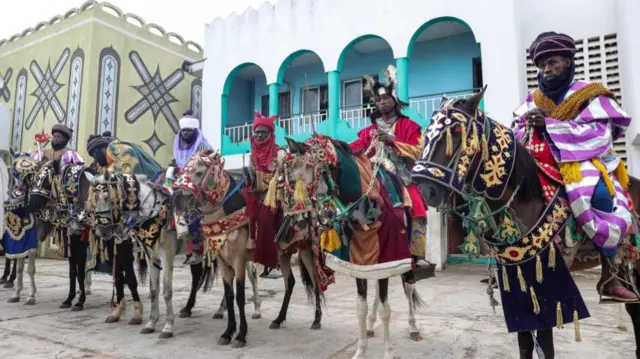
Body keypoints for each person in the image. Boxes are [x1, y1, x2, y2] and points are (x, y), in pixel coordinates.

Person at [512, 31, 636, 302]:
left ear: (568, 61)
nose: (546, 69)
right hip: (539, 159)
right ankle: (514, 265)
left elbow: (600, 135)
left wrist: (551, 126)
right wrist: (528, 128)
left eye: (552, 62)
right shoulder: (532, 100)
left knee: (603, 196)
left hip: (583, 160)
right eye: (542, 64)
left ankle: (612, 275)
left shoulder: (589, 92)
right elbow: (515, 134)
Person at [349, 66, 434, 276]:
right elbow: (356, 146)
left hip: (401, 173)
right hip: (373, 172)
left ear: (394, 100)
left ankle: (418, 255)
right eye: (378, 100)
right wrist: (336, 146)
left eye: (386, 98)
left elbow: (418, 151)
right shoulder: (370, 130)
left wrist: (394, 142)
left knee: (415, 203)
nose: (382, 102)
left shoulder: (409, 125)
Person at [245, 110, 282, 279]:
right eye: (257, 132)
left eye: (263, 132)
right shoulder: (251, 154)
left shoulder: (280, 153)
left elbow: (284, 176)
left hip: (275, 196)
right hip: (254, 196)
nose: (259, 135)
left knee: (266, 220)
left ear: (270, 133)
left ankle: (275, 265)